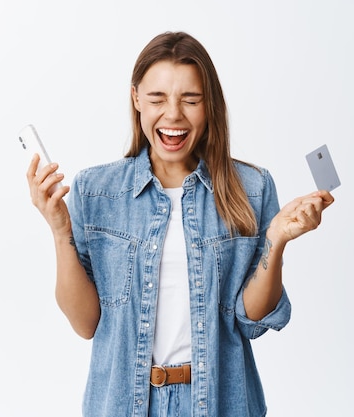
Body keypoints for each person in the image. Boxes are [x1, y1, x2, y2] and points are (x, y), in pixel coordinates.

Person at [27, 31, 334, 417]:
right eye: (157, 98)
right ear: (136, 98)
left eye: (190, 99)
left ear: (210, 105)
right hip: (123, 404)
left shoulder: (252, 189)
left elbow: (252, 320)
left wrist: (276, 239)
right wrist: (59, 230)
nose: (173, 114)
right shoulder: (95, 191)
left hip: (221, 403)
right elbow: (85, 323)